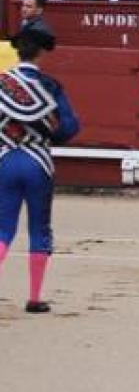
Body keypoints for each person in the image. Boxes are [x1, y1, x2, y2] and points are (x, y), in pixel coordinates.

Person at [0, 23, 77, 313]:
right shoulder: (50, 86)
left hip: (5, 159)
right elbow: (68, 128)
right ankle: (34, 297)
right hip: (37, 161)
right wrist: (49, 134)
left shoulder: (1, 83)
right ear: (43, 52)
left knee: (3, 229)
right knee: (39, 228)